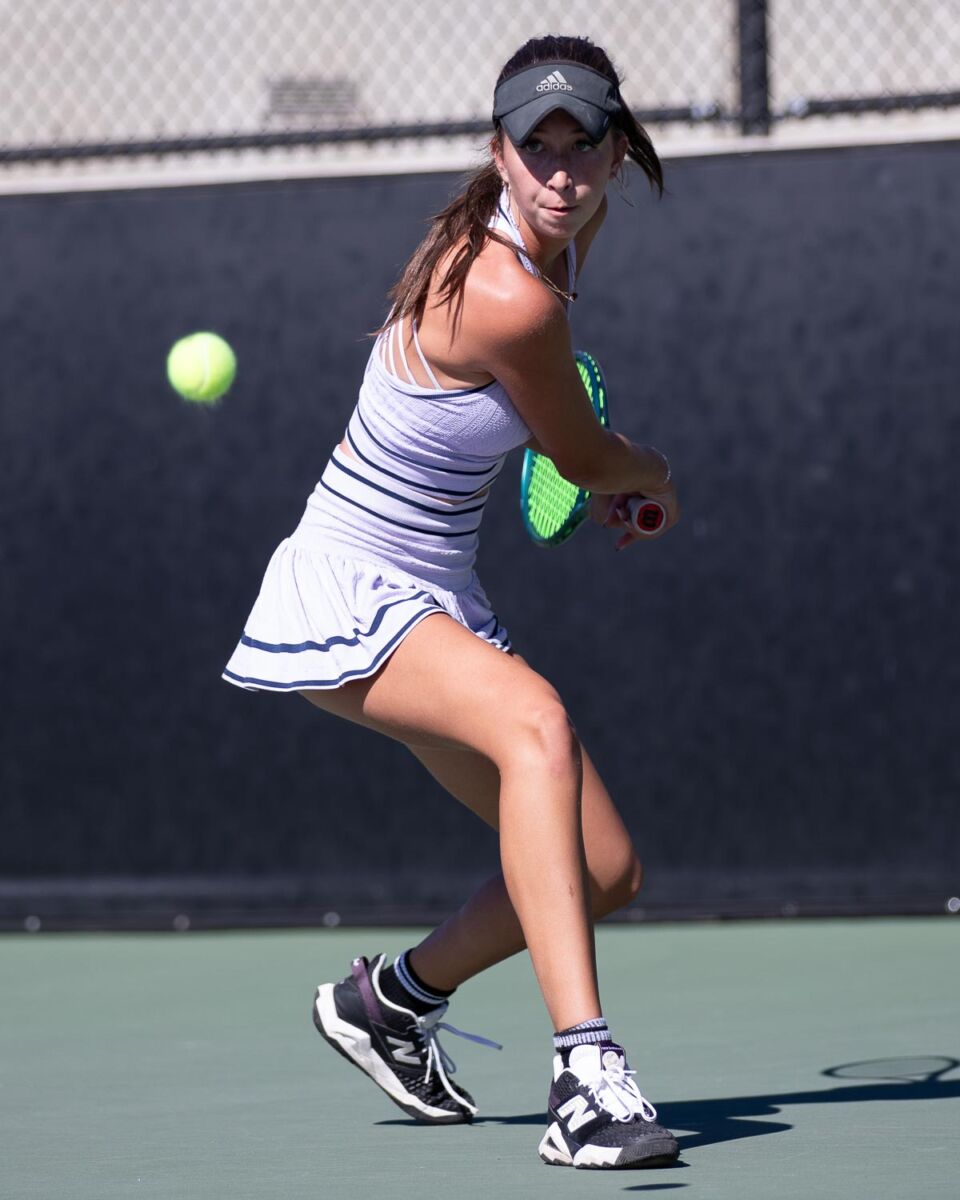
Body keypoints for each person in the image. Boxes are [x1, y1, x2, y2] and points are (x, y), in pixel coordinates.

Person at [223, 33, 681, 1170]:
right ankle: (585, 1078)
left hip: (438, 592)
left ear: (616, 152)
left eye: (584, 146)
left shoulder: (560, 236)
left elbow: (557, 444)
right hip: (353, 586)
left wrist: (594, 469)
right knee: (537, 724)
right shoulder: (504, 288)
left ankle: (391, 1001)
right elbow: (583, 459)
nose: (560, 172)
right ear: (499, 152)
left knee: (603, 871)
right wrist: (652, 475)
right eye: (538, 148)